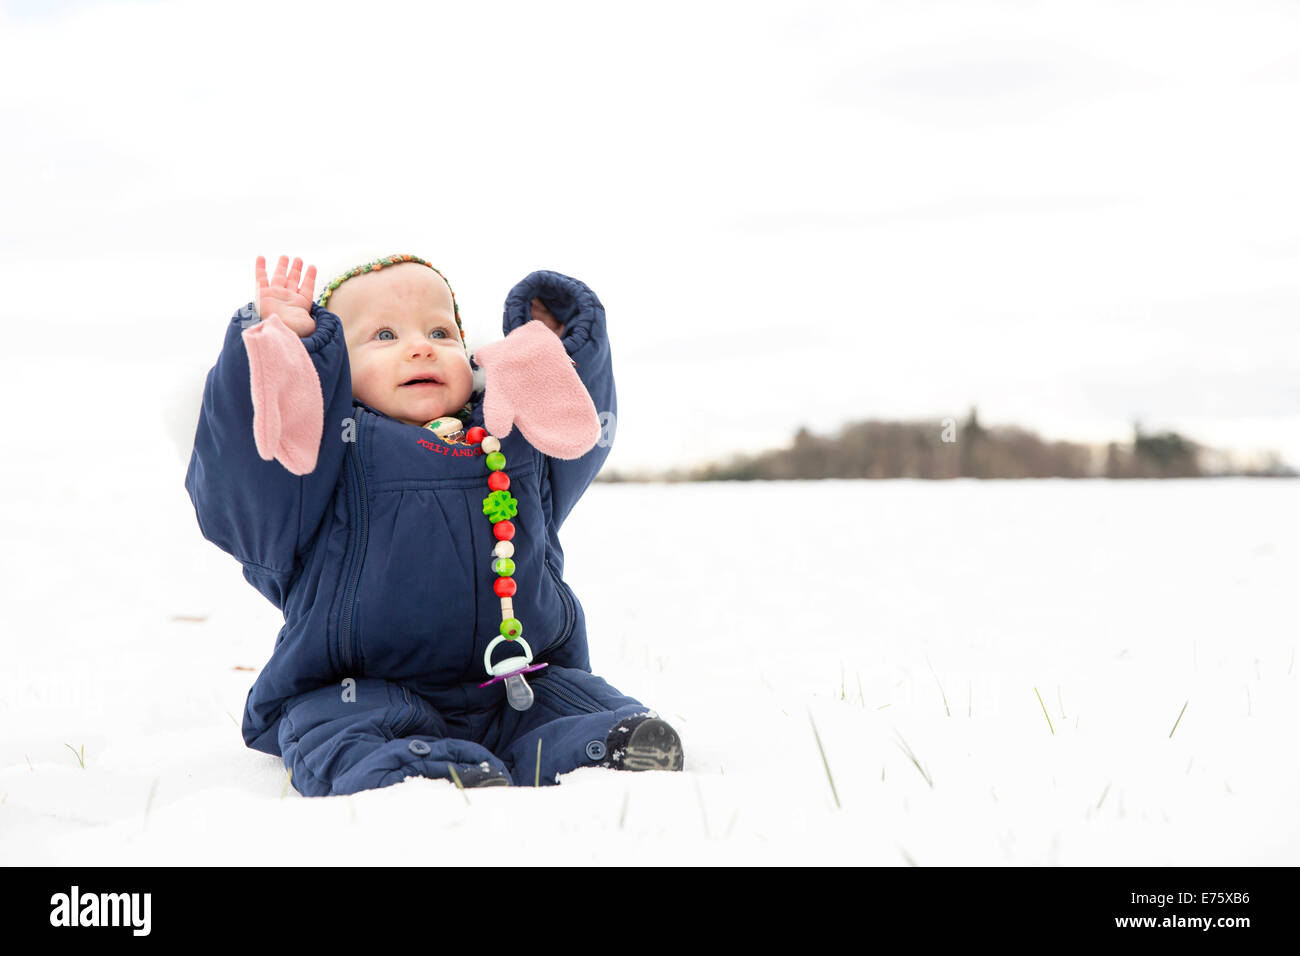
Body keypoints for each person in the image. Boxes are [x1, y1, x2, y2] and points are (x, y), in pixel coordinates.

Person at [184, 253, 684, 796]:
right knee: (338, 727)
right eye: (383, 335)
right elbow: (245, 475)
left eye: (440, 331)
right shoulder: (323, 453)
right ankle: (422, 772)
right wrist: (275, 354)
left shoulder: (508, 434)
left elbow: (577, 429)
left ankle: (602, 747)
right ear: (333, 373)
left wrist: (565, 342)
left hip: (514, 681)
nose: (420, 346)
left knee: (579, 704)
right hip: (361, 688)